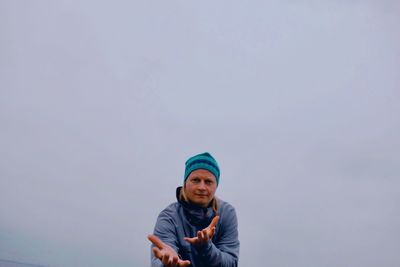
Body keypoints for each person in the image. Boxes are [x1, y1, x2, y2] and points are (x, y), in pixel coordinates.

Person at [148, 152, 240, 267]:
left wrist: (206, 247)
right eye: (195, 180)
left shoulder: (227, 213)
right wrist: (167, 264)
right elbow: (161, 257)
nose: (202, 187)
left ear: (216, 185)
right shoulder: (168, 217)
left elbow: (231, 263)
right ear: (185, 183)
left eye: (208, 182)